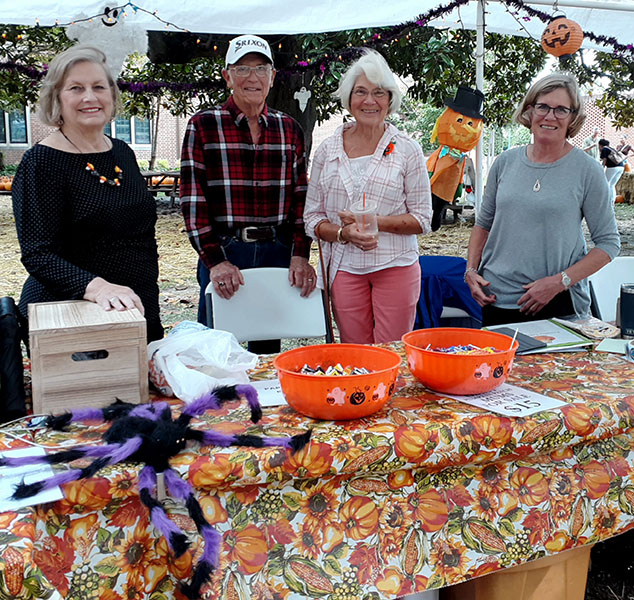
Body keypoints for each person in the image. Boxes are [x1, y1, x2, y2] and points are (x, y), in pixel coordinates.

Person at [12, 45, 163, 342]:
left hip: (133, 311)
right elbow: (37, 253)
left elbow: (139, 240)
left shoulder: (122, 152)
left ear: (112, 94)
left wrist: (148, 313)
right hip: (68, 318)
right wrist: (99, 288)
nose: (90, 97)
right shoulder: (41, 163)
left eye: (98, 87)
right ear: (57, 98)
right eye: (76, 88)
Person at [180, 34, 315, 354]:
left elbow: (301, 196)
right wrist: (214, 261)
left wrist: (300, 252)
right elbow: (192, 200)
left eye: (260, 68)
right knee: (216, 346)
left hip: (277, 250)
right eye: (242, 69)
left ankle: (264, 404)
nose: (252, 77)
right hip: (226, 251)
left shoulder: (289, 128)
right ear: (227, 76)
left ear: (272, 77)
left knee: (266, 347)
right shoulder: (203, 126)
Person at [464, 73, 620, 327]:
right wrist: (471, 271)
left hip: (557, 302)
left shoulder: (586, 170)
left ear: (573, 118)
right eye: (543, 106)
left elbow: (609, 243)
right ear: (529, 111)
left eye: (561, 110)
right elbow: (483, 225)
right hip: (495, 299)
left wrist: (560, 282)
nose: (550, 116)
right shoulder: (505, 162)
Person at [304, 50, 432, 344]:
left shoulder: (407, 149)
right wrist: (342, 233)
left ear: (390, 100)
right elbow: (311, 217)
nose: (369, 101)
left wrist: (377, 222)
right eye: (360, 92)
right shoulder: (327, 149)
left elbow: (423, 219)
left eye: (378, 93)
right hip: (345, 267)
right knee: (355, 354)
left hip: (396, 263)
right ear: (349, 99)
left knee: (392, 352)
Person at [599, 138, 626, 203]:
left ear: (600, 145)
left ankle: (605, 201)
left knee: (606, 183)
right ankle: (612, 200)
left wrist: (601, 169)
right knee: (612, 184)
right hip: (621, 167)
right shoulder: (611, 148)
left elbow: (604, 160)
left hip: (613, 167)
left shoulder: (604, 149)